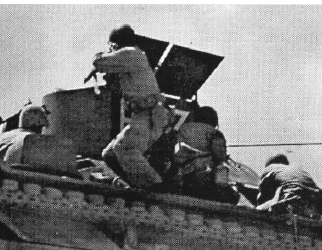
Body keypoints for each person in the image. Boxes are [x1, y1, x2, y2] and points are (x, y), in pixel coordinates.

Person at [94, 25, 171, 189]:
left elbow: (99, 62)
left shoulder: (130, 53)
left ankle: (157, 187)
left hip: (150, 114)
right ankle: (137, 186)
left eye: (112, 45)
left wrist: (101, 56)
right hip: (143, 114)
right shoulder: (131, 57)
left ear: (116, 44)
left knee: (124, 148)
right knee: (109, 155)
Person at [169, 106, 232, 200]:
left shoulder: (183, 129)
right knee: (221, 171)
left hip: (179, 174)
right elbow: (218, 155)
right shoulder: (214, 133)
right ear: (214, 120)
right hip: (202, 174)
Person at [255, 154, 322, 218]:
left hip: (295, 198)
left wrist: (260, 205)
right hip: (317, 201)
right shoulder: (298, 170)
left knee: (259, 209)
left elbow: (262, 192)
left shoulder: (271, 168)